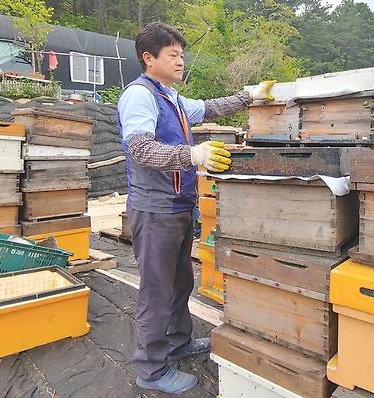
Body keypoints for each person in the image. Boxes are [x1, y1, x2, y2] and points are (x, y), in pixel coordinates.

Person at [117, 21, 275, 394]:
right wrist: (192, 154)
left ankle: (178, 343)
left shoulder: (169, 96)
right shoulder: (139, 96)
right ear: (148, 57)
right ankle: (151, 369)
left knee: (180, 281)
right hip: (154, 209)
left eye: (182, 55)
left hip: (177, 206)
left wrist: (248, 96)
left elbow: (208, 108)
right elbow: (139, 149)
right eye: (172, 55)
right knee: (156, 290)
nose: (180, 61)